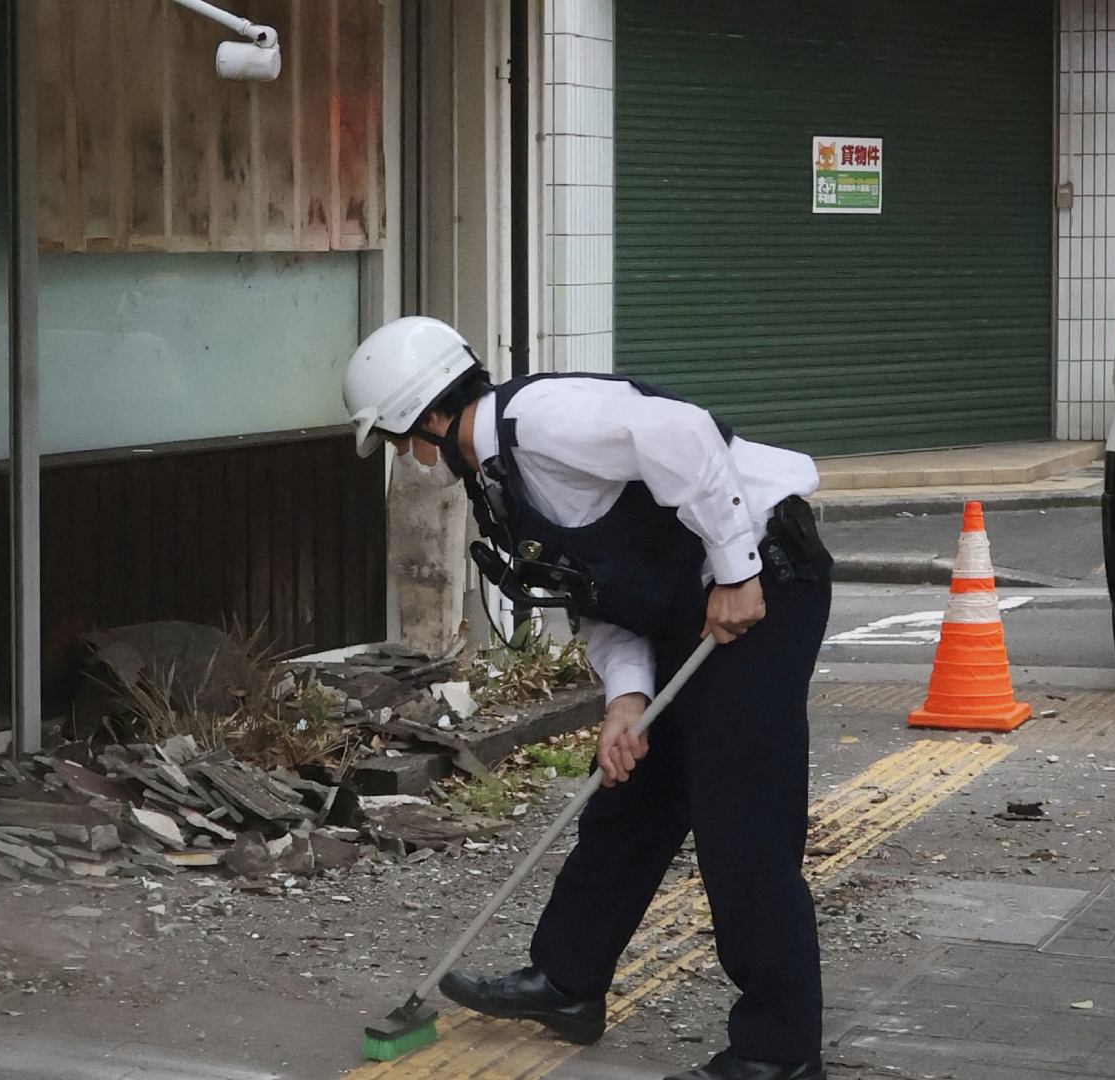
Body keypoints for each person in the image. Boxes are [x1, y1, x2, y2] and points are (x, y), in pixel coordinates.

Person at [342, 317, 835, 1080]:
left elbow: (684, 433)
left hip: (763, 586)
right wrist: (626, 700)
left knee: (743, 821)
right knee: (632, 793)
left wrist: (737, 572)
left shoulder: (540, 421)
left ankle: (780, 1051)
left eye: (401, 439)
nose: (405, 457)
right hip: (689, 606)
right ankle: (567, 982)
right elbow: (602, 593)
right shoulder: (496, 479)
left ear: (430, 417)